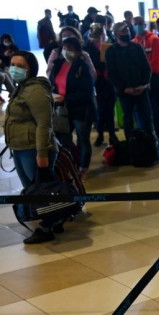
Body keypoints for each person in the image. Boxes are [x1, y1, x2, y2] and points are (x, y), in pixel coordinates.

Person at [3, 51, 61, 244]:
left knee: (40, 190)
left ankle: (47, 227)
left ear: (31, 69)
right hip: (20, 148)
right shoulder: (22, 88)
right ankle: (54, 220)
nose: (15, 69)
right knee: (32, 189)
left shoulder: (35, 89)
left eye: (20, 66)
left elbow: (44, 124)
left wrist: (42, 153)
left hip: (33, 149)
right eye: (13, 64)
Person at [106, 22, 159, 157]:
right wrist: (124, 89)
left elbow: (146, 68)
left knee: (147, 118)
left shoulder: (137, 47)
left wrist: (144, 84)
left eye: (127, 30)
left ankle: (151, 146)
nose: (127, 32)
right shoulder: (111, 51)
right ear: (117, 34)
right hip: (125, 93)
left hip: (141, 90)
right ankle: (133, 148)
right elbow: (112, 73)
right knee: (128, 120)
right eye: (124, 31)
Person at [49, 36, 96, 177]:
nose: (67, 51)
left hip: (80, 109)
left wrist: (66, 98)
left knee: (82, 139)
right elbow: (53, 83)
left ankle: (83, 167)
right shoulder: (58, 64)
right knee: (64, 138)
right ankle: (70, 164)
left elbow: (87, 93)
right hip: (62, 109)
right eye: (65, 48)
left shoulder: (82, 67)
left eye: (70, 49)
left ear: (78, 51)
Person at [132, 16, 159, 150]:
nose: (138, 26)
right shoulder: (134, 42)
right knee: (145, 112)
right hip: (139, 82)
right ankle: (151, 139)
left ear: (145, 24)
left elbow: (156, 63)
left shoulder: (154, 39)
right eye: (135, 24)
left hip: (154, 79)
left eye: (140, 24)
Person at [84, 25, 118, 148]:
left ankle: (112, 134)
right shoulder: (87, 48)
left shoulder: (108, 46)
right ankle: (101, 135)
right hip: (97, 82)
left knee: (110, 108)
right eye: (103, 33)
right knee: (102, 109)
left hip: (109, 81)